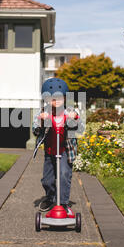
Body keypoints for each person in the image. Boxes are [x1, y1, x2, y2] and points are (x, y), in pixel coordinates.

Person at [32, 78, 82, 214]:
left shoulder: (70, 111)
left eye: (60, 97)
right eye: (53, 98)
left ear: (65, 98)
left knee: (64, 174)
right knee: (47, 180)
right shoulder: (43, 112)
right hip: (50, 151)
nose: (57, 100)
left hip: (65, 150)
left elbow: (79, 127)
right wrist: (40, 121)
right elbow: (35, 130)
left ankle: (63, 203)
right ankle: (50, 197)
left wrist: (75, 118)